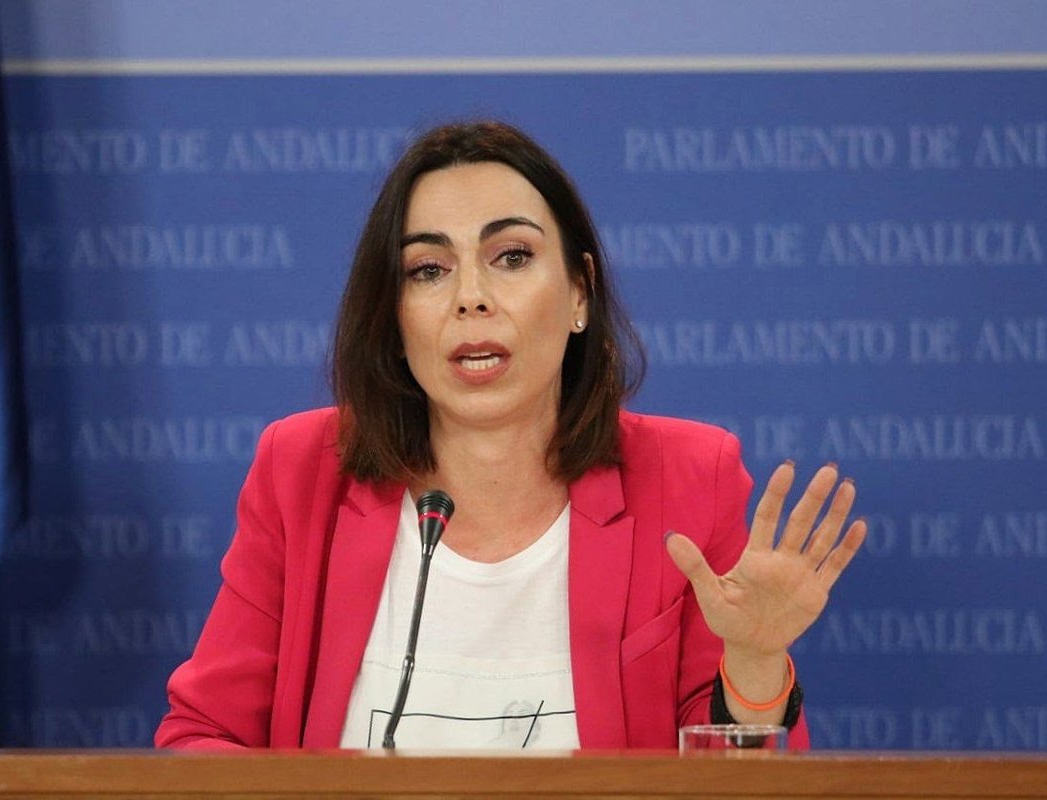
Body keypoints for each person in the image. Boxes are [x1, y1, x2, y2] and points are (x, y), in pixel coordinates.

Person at [154, 121, 866, 750]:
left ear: (580, 291)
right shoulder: (303, 472)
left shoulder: (687, 478)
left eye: (512, 257)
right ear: (394, 316)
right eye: (428, 270)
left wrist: (753, 660)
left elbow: (733, 781)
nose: (471, 297)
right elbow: (203, 738)